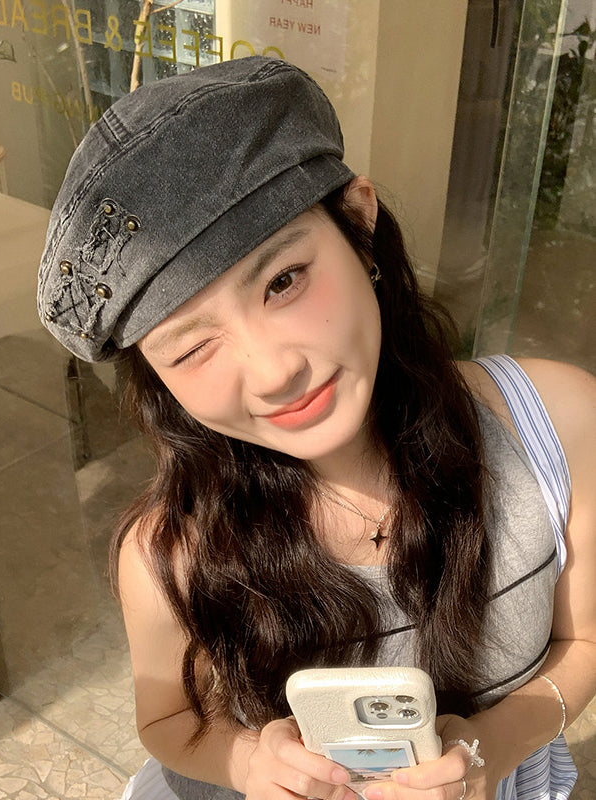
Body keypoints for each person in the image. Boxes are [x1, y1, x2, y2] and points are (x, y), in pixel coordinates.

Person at [38, 56, 596, 800]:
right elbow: (167, 719)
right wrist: (246, 761)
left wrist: (486, 747)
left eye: (282, 281)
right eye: (192, 345)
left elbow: (583, 639)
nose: (274, 372)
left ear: (358, 223)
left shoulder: (556, 427)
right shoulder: (169, 552)